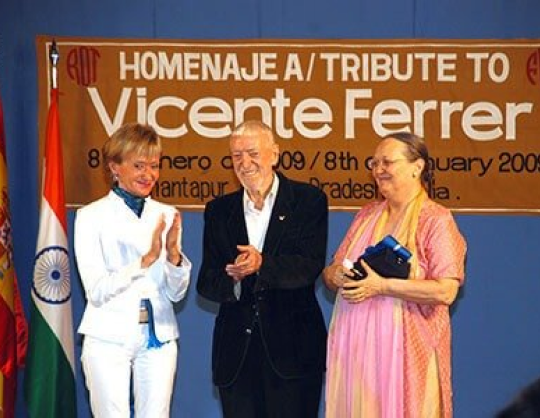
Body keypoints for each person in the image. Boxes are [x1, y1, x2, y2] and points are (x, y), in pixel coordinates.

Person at [323, 132, 467, 418]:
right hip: (357, 355)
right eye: (374, 163)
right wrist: (336, 275)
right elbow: (331, 270)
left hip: (408, 356)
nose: (378, 170)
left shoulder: (435, 219)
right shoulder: (366, 214)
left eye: (387, 162)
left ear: (418, 167)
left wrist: (382, 286)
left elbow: (445, 291)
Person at [197, 120, 328, 418]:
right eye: (236, 156)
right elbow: (206, 282)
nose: (245, 163)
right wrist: (235, 280)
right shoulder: (219, 210)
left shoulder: (308, 201)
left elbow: (309, 266)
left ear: (275, 154)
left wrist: (263, 264)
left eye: (253, 153)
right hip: (236, 355)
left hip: (293, 353)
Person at [74, 122, 191, 418]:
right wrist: (145, 260)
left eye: (154, 166)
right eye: (139, 165)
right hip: (107, 337)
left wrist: (174, 258)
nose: (148, 175)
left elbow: (177, 294)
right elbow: (96, 291)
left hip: (159, 338)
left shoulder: (166, 214)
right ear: (115, 167)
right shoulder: (90, 217)